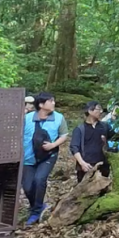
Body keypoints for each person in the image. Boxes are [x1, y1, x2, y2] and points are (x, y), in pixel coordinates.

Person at [21, 92, 68, 226]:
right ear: (41, 105)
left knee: (40, 179)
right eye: (51, 101)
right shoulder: (28, 118)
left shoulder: (59, 118)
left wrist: (53, 145)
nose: (53, 103)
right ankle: (38, 205)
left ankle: (35, 212)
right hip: (28, 158)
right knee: (28, 187)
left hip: (48, 156)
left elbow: (64, 135)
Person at [69, 101, 113, 183]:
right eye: (98, 109)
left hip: (103, 165)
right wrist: (82, 163)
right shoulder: (80, 129)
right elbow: (74, 147)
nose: (101, 111)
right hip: (86, 165)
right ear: (90, 111)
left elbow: (115, 137)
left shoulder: (105, 126)